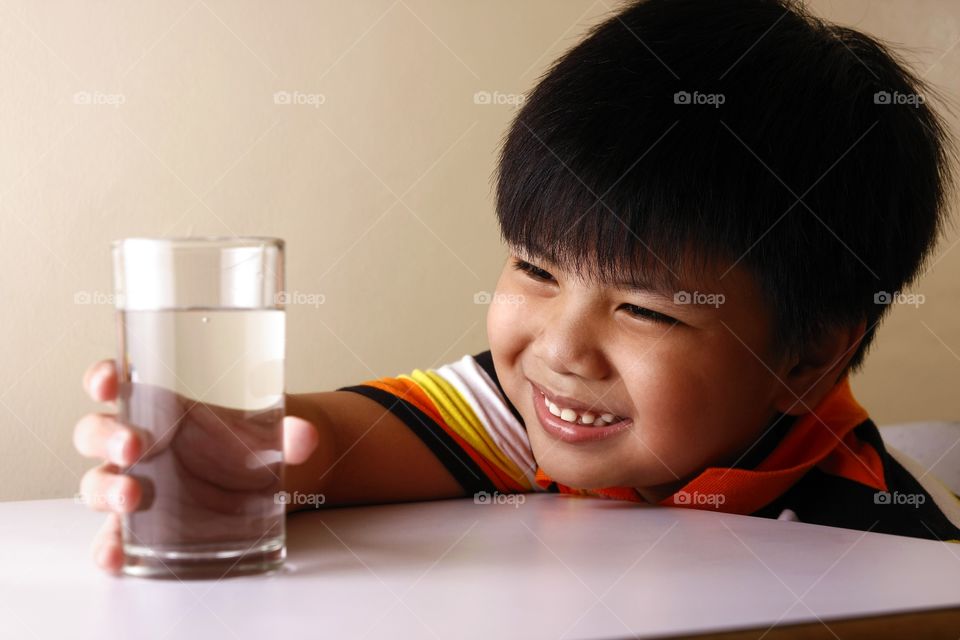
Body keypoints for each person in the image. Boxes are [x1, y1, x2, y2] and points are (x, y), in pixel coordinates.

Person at [74, 0, 960, 574]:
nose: (560, 349)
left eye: (645, 308)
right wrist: (228, 450)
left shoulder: (882, 553)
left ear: (806, 358)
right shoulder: (542, 412)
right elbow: (342, 443)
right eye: (536, 267)